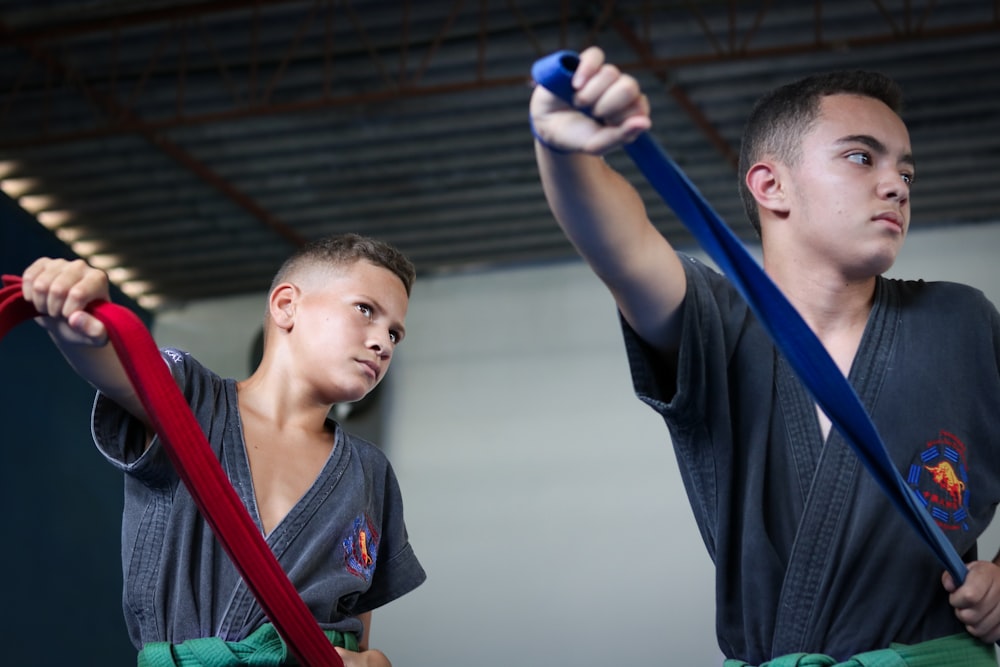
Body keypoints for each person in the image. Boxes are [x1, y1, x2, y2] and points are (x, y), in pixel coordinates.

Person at [529, 46, 1000, 665]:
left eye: (905, 173)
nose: (895, 185)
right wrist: (562, 146)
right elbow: (620, 244)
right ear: (770, 185)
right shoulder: (712, 323)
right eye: (861, 157)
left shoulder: (960, 321)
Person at [19, 233, 426, 666]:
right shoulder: (191, 398)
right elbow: (117, 365)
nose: (383, 342)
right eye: (365, 310)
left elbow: (356, 631)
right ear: (287, 305)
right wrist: (75, 320)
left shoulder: (370, 471)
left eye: (395, 333)